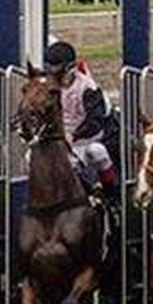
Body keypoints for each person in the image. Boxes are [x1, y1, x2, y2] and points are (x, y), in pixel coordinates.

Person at [44, 41, 117, 196]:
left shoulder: (87, 88)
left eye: (57, 74)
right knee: (31, 156)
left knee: (97, 152)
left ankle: (110, 197)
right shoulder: (50, 88)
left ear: (70, 69)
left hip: (86, 138)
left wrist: (74, 135)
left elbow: (95, 122)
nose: (53, 78)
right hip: (61, 138)